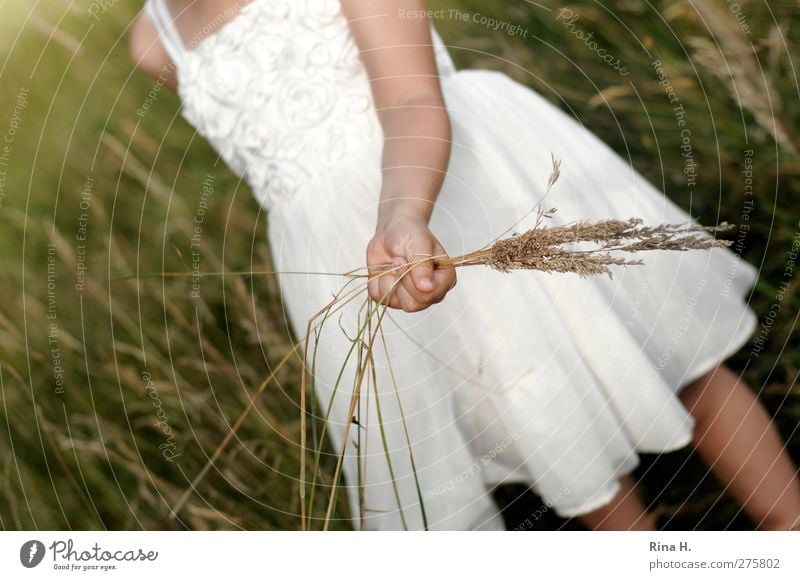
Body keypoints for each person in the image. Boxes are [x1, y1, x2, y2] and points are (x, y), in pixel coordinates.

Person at [129, 0, 800, 530]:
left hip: (463, 187)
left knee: (649, 355)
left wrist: (400, 214)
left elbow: (411, 101)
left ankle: (786, 523)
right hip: (350, 264)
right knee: (529, 411)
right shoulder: (153, 41)